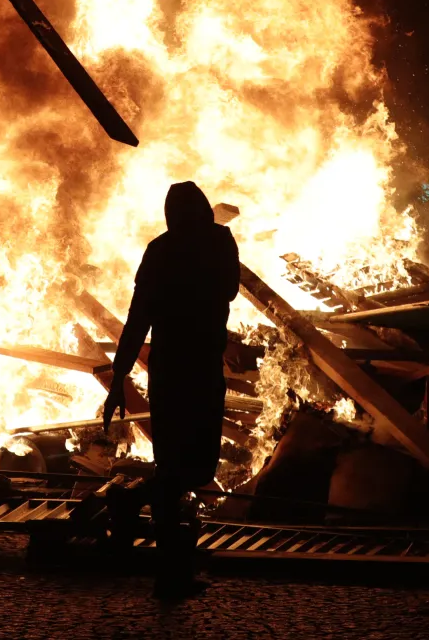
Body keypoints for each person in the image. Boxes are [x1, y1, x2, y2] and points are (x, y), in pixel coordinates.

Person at [103, 181, 240, 598]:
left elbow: (137, 320)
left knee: (183, 470)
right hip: (196, 371)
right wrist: (118, 379)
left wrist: (119, 379)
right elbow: (231, 290)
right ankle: (170, 575)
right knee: (188, 470)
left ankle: (137, 508)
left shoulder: (160, 251)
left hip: (171, 372)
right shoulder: (217, 241)